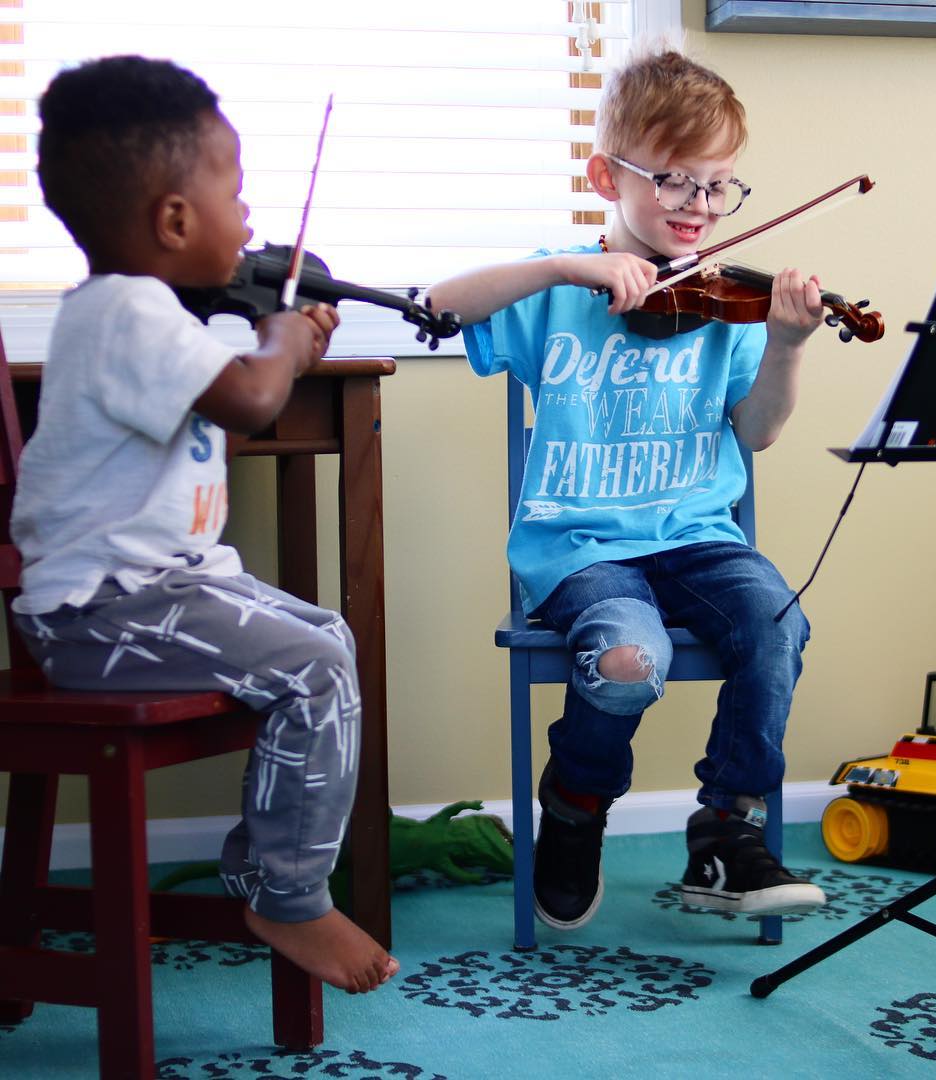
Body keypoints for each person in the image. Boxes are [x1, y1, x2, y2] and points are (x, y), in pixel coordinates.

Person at [11, 55, 398, 993]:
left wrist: (278, 331)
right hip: (98, 614)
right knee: (316, 663)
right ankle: (286, 893)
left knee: (326, 638)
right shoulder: (127, 312)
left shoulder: (138, 309)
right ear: (174, 221)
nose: (252, 219)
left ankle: (272, 870)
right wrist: (285, 338)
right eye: (235, 190)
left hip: (155, 591)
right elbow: (254, 401)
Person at [426, 44, 827, 930]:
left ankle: (727, 830)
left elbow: (757, 432)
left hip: (696, 537)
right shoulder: (559, 291)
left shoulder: (731, 308)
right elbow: (439, 302)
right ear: (608, 175)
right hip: (581, 546)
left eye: (721, 186)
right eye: (678, 182)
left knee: (777, 624)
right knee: (625, 662)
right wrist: (565, 268)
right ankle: (576, 801)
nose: (701, 207)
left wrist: (790, 343)